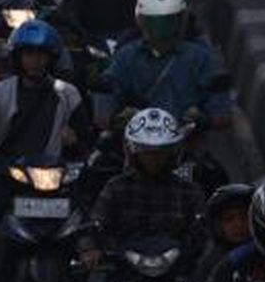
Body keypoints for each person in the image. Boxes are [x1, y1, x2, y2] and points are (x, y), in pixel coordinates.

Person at [0, 20, 92, 282]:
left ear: (51, 58)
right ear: (18, 57)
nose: (35, 61)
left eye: (42, 55)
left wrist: (76, 139)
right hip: (10, 177)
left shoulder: (68, 94)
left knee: (86, 225)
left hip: (56, 179)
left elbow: (86, 139)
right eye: (29, 54)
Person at [77, 107, 205, 271]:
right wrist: (89, 249)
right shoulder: (117, 187)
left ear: (172, 152)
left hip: (175, 273)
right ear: (133, 151)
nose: (154, 158)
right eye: (147, 151)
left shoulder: (189, 191)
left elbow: (204, 231)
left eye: (161, 151)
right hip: (125, 271)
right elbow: (95, 222)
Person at [99, 0, 231, 129]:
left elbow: (219, 108)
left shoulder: (199, 57)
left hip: (185, 136)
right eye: (155, 21)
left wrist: (204, 118)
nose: (160, 28)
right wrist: (112, 117)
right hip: (136, 136)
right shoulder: (127, 56)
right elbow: (108, 90)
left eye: (167, 21)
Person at [191, 183, 255, 282]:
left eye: (244, 216)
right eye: (229, 218)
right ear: (217, 225)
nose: (238, 224)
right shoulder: (211, 262)